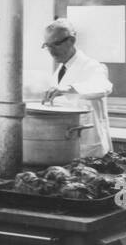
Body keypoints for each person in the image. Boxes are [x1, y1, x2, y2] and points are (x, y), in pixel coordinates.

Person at [42, 17, 112, 157]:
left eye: (56, 44)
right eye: (47, 45)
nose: (51, 51)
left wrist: (69, 89)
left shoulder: (91, 66)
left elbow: (104, 86)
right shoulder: (59, 71)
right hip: (66, 142)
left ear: (71, 41)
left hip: (89, 145)